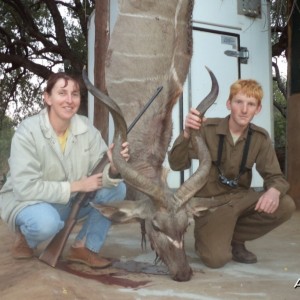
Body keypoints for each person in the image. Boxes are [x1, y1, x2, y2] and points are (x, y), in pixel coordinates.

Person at [0, 72, 129, 268]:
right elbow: (25, 188)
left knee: (117, 190)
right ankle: (26, 236)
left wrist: (113, 166)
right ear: (47, 98)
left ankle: (84, 247)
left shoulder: (86, 127)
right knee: (46, 224)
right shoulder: (27, 131)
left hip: (69, 199)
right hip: (28, 201)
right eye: (62, 93)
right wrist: (78, 185)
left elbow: (102, 172)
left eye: (75, 94)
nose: (69, 100)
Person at [168, 79, 295, 268]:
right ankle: (209, 237)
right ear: (229, 104)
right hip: (210, 204)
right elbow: (177, 164)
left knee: (285, 204)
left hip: (239, 199)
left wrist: (274, 190)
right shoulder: (206, 129)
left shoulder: (260, 137)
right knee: (215, 259)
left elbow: (275, 177)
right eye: (239, 102)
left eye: (251, 104)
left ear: (257, 109)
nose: (244, 110)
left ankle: (233, 238)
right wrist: (186, 133)